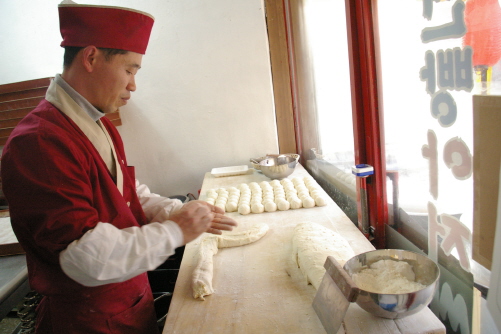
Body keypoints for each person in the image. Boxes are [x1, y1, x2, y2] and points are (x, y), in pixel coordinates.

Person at [1, 3, 237, 333]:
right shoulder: (40, 143)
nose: (133, 85)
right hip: (88, 321)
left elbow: (124, 192)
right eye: (130, 70)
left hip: (126, 305)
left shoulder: (96, 123)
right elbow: (83, 258)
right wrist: (175, 231)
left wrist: (171, 210)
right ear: (92, 57)